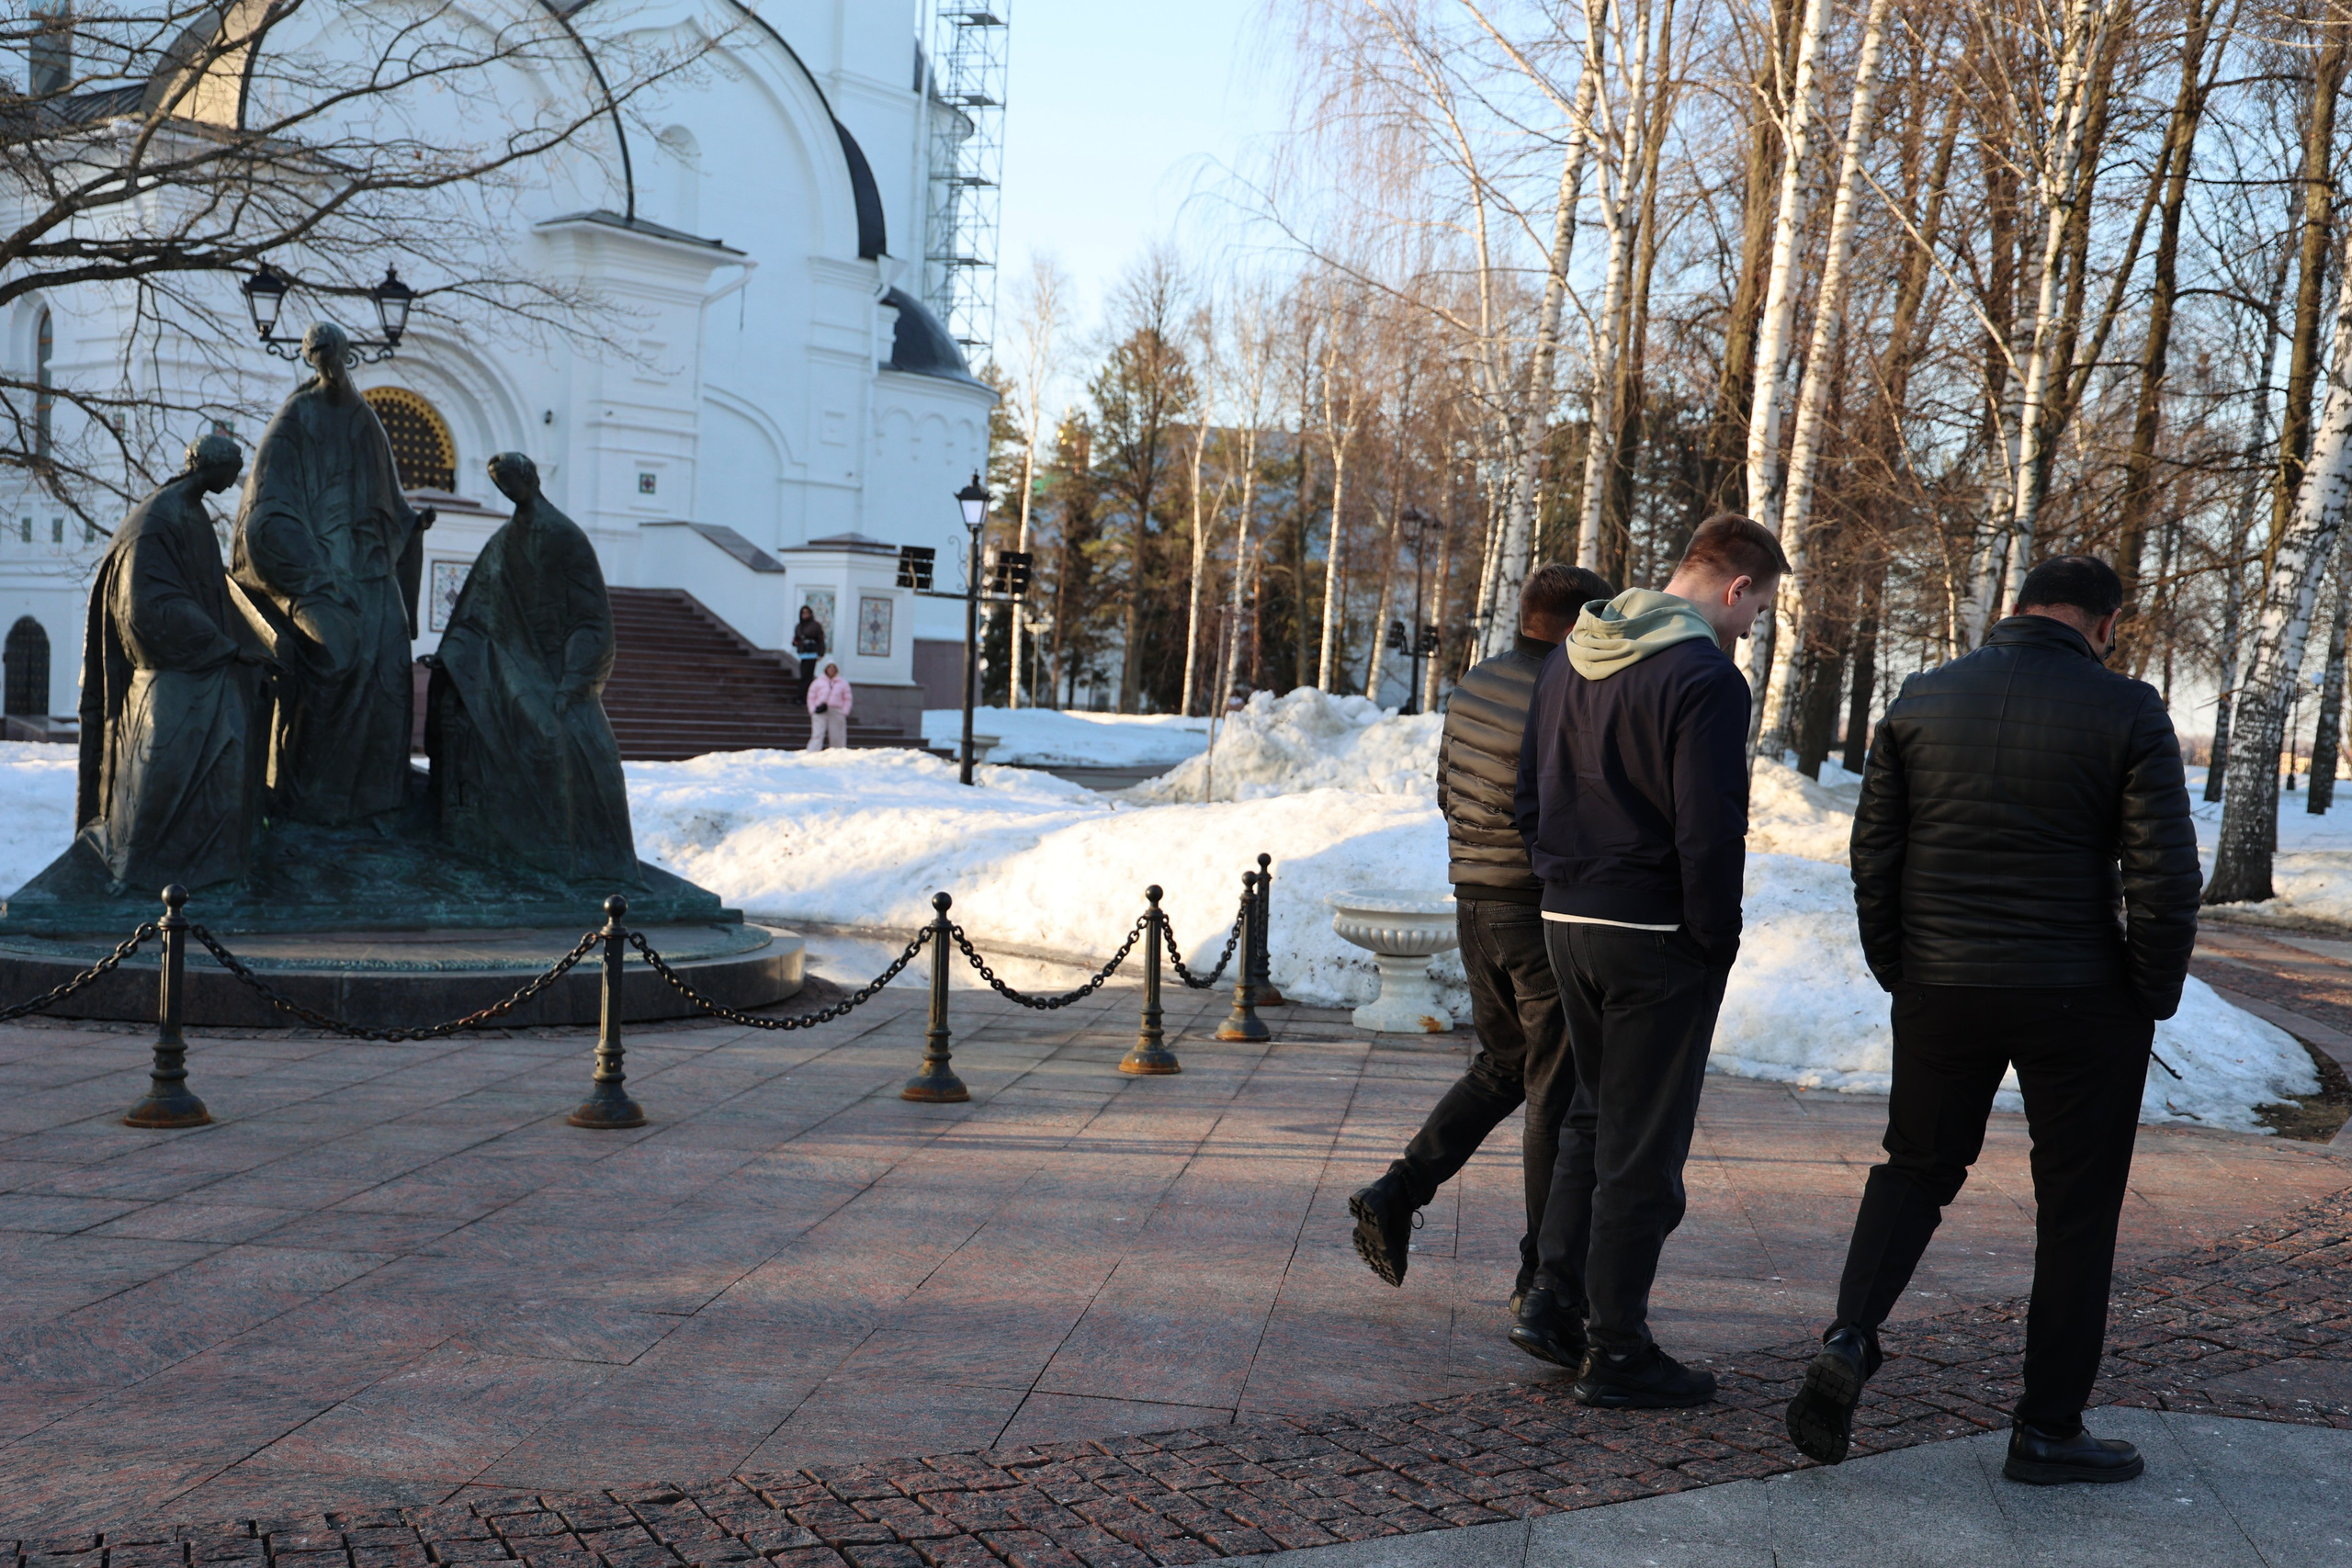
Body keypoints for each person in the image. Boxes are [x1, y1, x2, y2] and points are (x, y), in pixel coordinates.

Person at [1783, 554, 2199, 1485]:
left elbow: (1872, 853)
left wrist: (1900, 964)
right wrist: (2149, 995)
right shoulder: (2128, 709)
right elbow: (2164, 879)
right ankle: (2047, 1429)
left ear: (2016, 609)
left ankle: (1850, 1336)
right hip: (2080, 996)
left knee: (1915, 1169)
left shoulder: (1921, 697)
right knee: (2076, 1210)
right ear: (2105, 623)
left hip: (1943, 984)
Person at [1509, 514, 1785, 1407]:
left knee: (1593, 1116)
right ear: (1733, 586)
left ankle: (1553, 1298)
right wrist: (1714, 937)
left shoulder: (1571, 654)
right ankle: (1617, 1346)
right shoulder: (1703, 674)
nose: (1751, 628)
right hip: (1654, 934)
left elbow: (1527, 795)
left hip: (1566, 916)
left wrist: (1560, 876)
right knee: (1642, 1145)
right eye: (1759, 609)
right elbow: (1710, 828)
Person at [1349, 563, 1615, 1314]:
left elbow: (1446, 790)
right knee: (1553, 1093)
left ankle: (1398, 1190)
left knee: (1504, 1066)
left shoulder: (1473, 684)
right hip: (1536, 909)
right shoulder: (1569, 690)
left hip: (1475, 900)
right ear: (1576, 623)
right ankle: (1543, 1278)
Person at [232, 321, 434, 827]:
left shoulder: (365, 419)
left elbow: (390, 498)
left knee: (389, 659)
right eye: (318, 353)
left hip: (367, 567)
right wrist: (310, 568)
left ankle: (376, 796)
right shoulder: (295, 417)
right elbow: (267, 509)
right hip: (311, 573)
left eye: (334, 351)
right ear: (308, 359)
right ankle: (309, 795)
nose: (328, 361)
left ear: (346, 354)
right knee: (337, 656)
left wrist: (411, 526)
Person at [424, 453, 639, 886]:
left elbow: (591, 617)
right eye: (497, 483)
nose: (505, 489)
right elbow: (476, 607)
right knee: (489, 719)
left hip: (556, 665)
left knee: (552, 736)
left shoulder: (562, 534)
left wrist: (574, 680)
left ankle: (565, 854)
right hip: (508, 657)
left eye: (508, 480)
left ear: (529, 478)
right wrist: (452, 654)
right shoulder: (505, 540)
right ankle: (501, 843)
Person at [74, 434, 275, 893]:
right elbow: (149, 606)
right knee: (160, 777)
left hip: (202, 674)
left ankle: (212, 872)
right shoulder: (159, 518)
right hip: (172, 678)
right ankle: (136, 871)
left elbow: (206, 592)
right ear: (214, 468)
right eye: (234, 469)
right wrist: (225, 646)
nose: (235, 479)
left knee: (230, 748)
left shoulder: (191, 511)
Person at [806, 660, 852, 750]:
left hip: (836, 710)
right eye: (829, 668)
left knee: (837, 734)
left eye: (833, 668)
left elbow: (847, 698)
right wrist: (812, 709)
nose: (831, 670)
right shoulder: (818, 682)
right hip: (820, 710)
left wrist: (845, 711)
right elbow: (811, 696)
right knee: (817, 734)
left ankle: (838, 752)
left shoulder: (843, 683)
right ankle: (813, 751)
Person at [793, 604, 827, 688]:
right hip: (803, 652)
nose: (805, 615)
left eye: (807, 613)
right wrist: (795, 643)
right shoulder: (799, 626)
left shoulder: (815, 626)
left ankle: (804, 695)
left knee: (808, 675)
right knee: (803, 673)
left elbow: (820, 640)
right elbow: (796, 639)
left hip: (812, 652)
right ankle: (802, 695)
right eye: (803, 613)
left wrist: (821, 653)